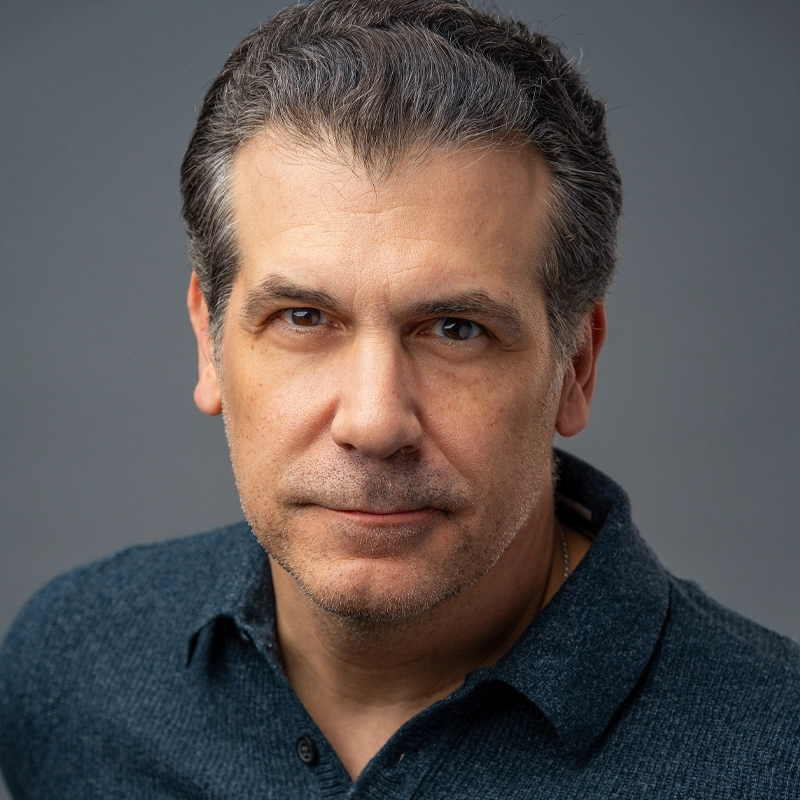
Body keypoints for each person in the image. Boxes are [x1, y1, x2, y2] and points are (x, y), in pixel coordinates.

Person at [1, 0, 798, 796]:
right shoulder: (71, 672)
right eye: (304, 318)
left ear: (575, 367)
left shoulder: (775, 753)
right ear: (209, 340)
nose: (375, 422)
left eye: (456, 329)